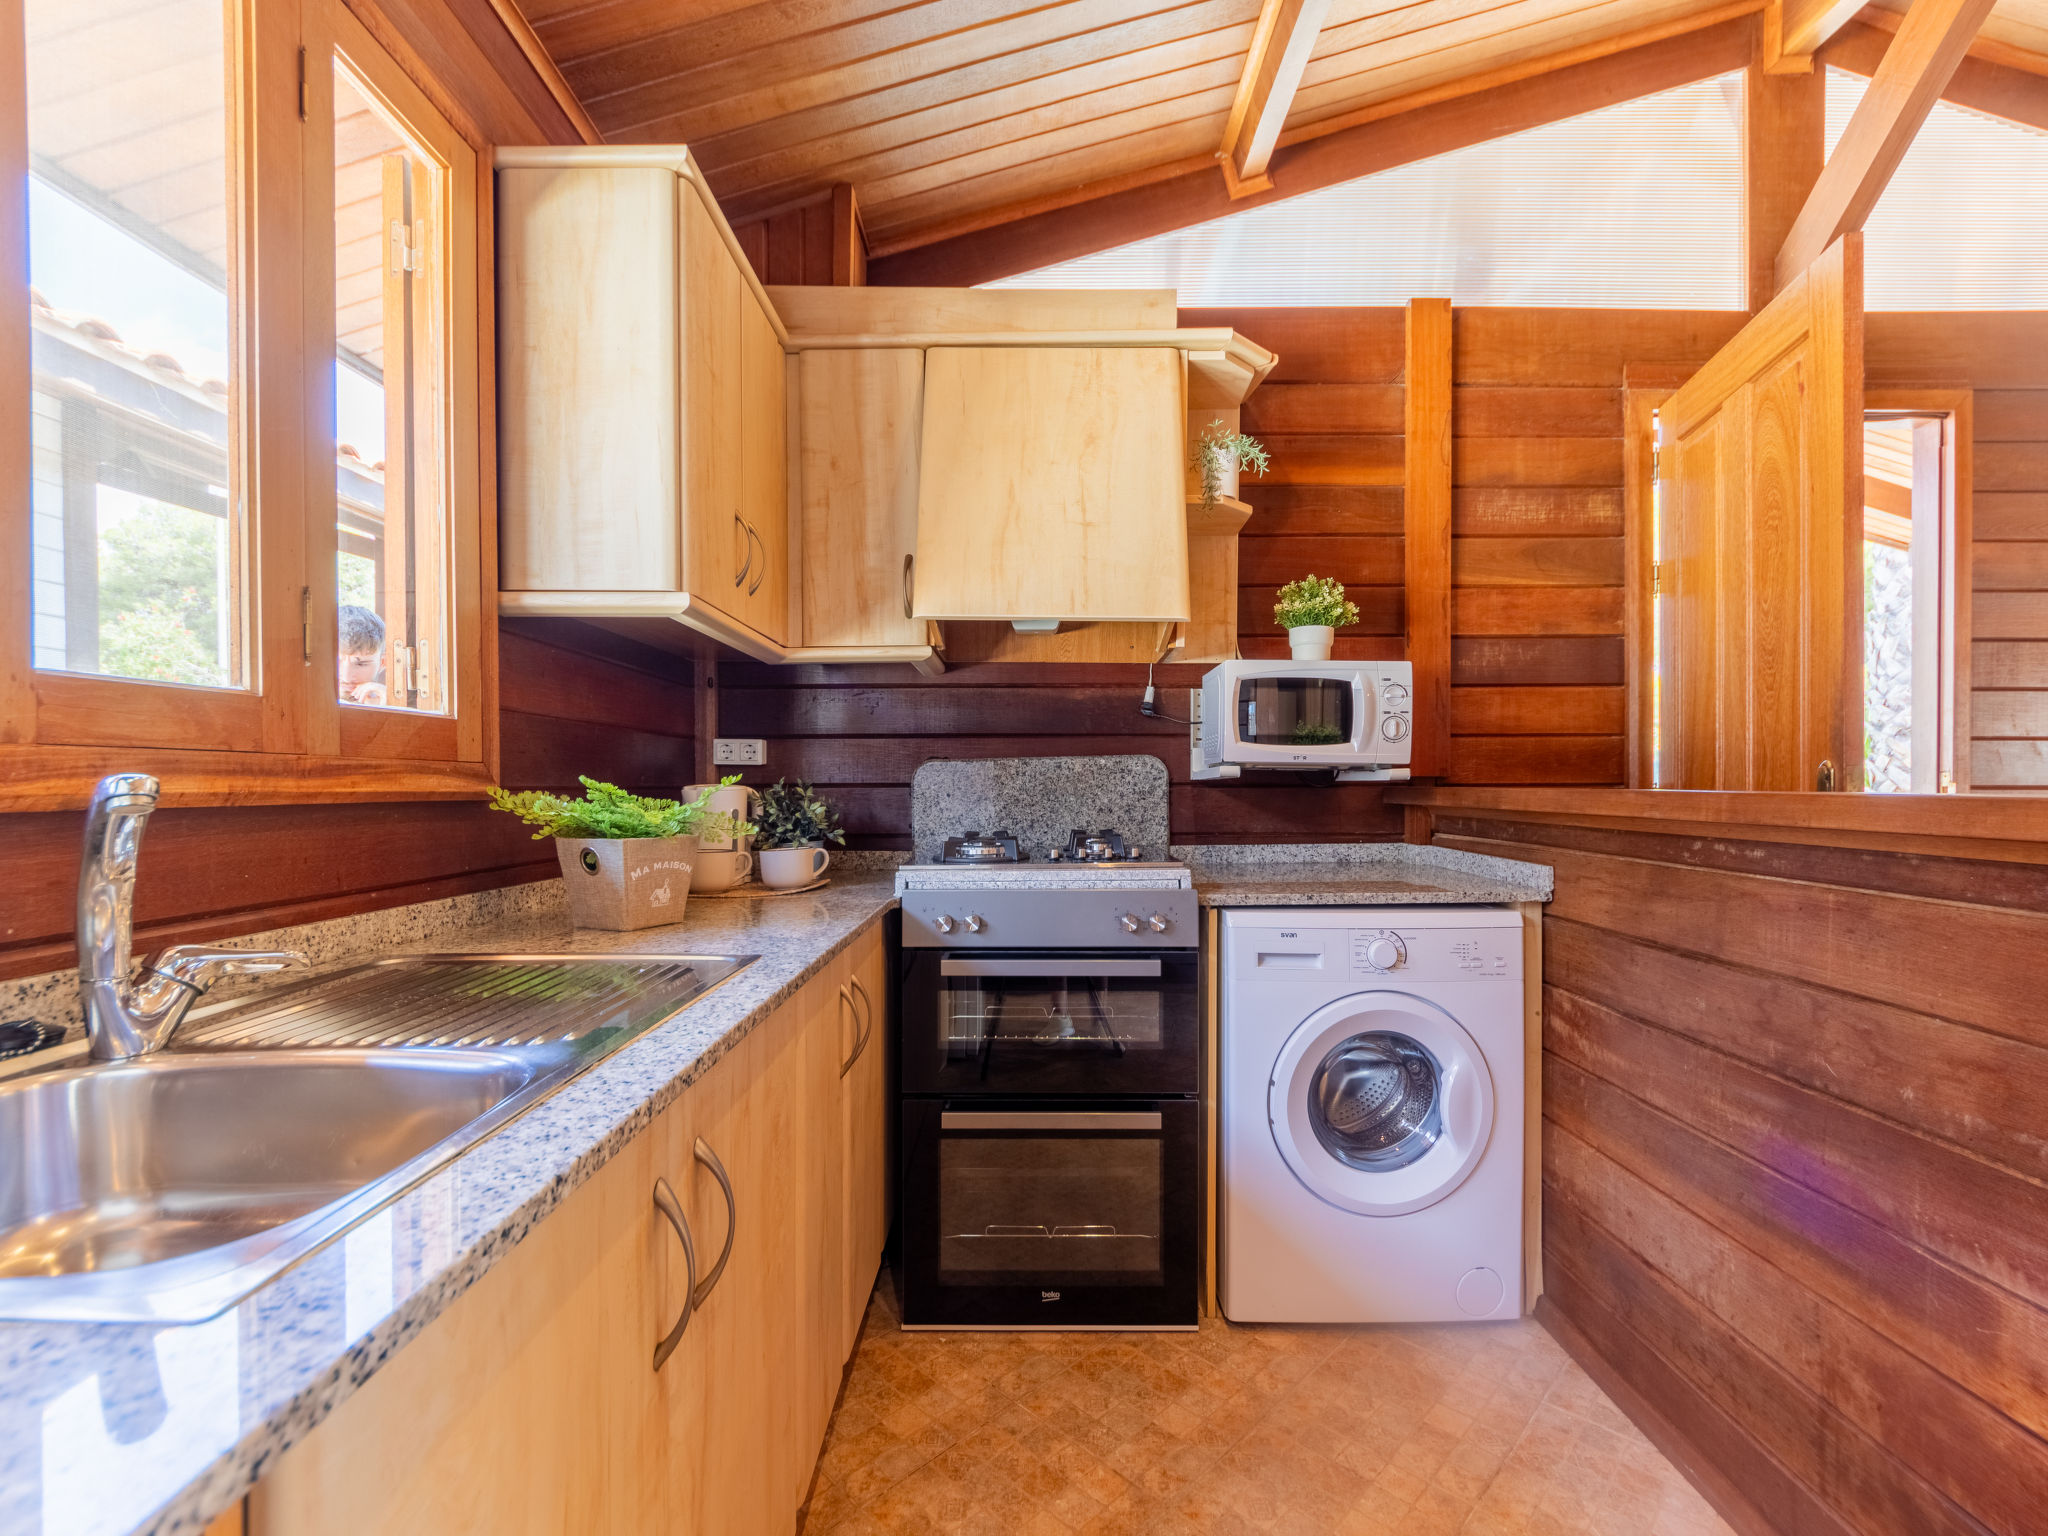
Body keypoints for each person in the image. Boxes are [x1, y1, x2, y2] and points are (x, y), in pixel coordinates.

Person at [338, 603, 388, 706]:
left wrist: (389, 706)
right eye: (335, 662)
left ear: (382, 663)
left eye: (361, 664)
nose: (346, 678)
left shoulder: (388, 703)